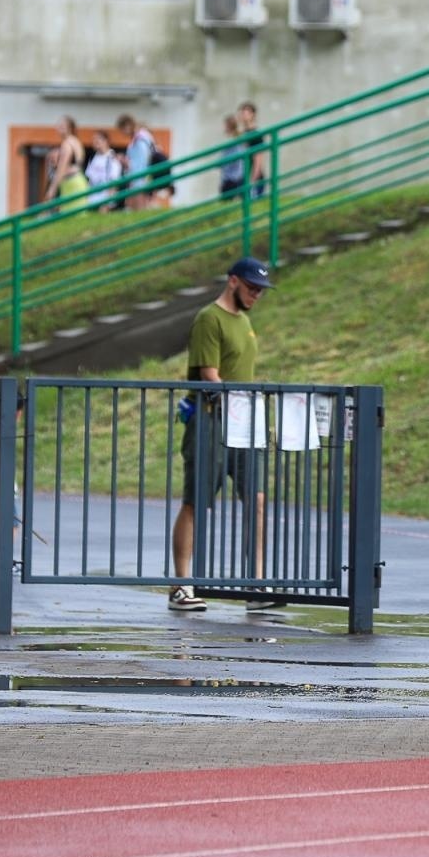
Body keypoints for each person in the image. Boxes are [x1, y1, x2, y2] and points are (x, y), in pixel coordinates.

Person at [169, 256, 275, 615]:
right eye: (252, 287)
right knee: (196, 500)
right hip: (211, 419)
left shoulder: (244, 321)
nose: (256, 295)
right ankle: (181, 584)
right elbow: (209, 375)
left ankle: (255, 583)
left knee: (256, 498)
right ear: (233, 281)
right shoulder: (209, 318)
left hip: (243, 422)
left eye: (261, 290)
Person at [114, 113, 158, 210]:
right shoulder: (138, 138)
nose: (122, 133)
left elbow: (142, 161)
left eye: (122, 129)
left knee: (139, 208)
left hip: (140, 179)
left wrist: (127, 163)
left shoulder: (140, 139)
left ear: (128, 125)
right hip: (138, 178)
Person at [43, 115, 89, 206]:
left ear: (70, 128)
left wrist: (52, 189)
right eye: (58, 125)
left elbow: (62, 168)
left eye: (62, 126)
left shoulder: (67, 143)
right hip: (78, 181)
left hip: (71, 183)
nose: (59, 128)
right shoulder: (75, 141)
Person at [84, 130, 123, 210]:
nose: (95, 142)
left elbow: (114, 183)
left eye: (98, 139)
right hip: (91, 199)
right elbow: (89, 180)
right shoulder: (93, 157)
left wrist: (108, 203)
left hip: (104, 200)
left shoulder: (112, 158)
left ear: (106, 141)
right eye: (94, 140)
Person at [237, 101, 269, 198]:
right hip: (244, 175)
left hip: (253, 178)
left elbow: (258, 159)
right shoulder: (243, 134)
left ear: (253, 115)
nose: (242, 116)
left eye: (245, 113)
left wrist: (252, 181)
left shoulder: (256, 135)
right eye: (241, 113)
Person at [218, 114, 247, 198]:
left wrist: (220, 162)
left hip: (232, 178)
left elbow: (233, 158)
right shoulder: (238, 139)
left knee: (228, 201)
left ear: (228, 126)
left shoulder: (234, 141)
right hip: (235, 177)